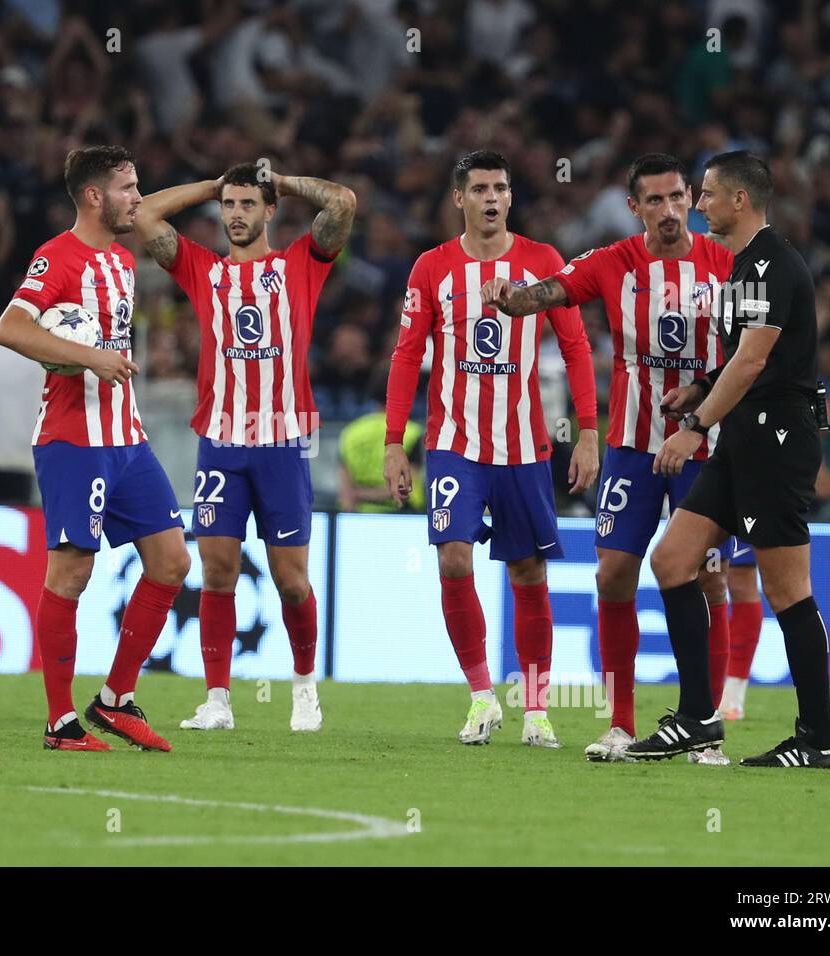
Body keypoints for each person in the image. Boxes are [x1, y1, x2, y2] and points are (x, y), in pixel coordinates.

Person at [481, 153, 735, 762]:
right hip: (631, 446)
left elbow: (753, 351)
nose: (670, 211)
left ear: (692, 200)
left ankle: (706, 725)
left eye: (679, 197)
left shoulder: (726, 265)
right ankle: (621, 722)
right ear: (634, 209)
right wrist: (510, 296)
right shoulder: (612, 263)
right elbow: (548, 292)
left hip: (705, 445)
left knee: (708, 577)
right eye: (655, 201)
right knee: (612, 574)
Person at [629, 150, 830, 768]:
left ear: (739, 201)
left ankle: (818, 739)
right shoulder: (751, 264)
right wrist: (701, 385)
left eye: (707, 194)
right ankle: (698, 718)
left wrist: (693, 426)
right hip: (746, 439)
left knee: (787, 591)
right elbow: (747, 357)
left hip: (775, 441)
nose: (698, 205)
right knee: (672, 561)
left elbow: (754, 361)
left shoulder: (767, 264)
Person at [386, 150, 600, 748]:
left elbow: (577, 348)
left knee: (528, 570)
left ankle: (535, 709)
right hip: (454, 442)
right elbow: (407, 357)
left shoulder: (542, 262)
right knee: (453, 558)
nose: (490, 198)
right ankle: (482, 698)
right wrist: (392, 443)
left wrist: (587, 431)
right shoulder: (431, 268)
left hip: (524, 445)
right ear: (459, 198)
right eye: (478, 188)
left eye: (500, 188)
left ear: (510, 197)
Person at [135, 162, 356, 732]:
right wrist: (208, 187)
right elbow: (142, 213)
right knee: (216, 572)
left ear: (269, 211)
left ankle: (305, 689)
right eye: (228, 206)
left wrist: (282, 180)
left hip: (283, 444)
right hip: (221, 444)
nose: (236, 215)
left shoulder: (300, 265)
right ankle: (217, 700)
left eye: (248, 205)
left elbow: (343, 204)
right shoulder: (201, 270)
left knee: (291, 581)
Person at [0, 145, 190, 753]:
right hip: (73, 441)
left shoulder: (124, 262)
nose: (139, 196)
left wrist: (210, 185)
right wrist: (91, 357)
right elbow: (11, 328)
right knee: (72, 572)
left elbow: (154, 209)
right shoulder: (56, 258)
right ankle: (60, 724)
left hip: (126, 439)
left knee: (172, 564)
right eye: (129, 187)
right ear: (93, 197)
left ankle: (115, 700)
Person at [338, 362, 426, 514]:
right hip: (403, 518)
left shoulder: (351, 431)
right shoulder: (412, 432)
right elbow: (407, 487)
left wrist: (357, 497)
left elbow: (345, 490)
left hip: (357, 518)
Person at [719, 539, 761, 720]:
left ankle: (732, 696)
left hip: (745, 514)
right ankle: (703, 692)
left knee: (740, 582)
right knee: (700, 579)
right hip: (696, 512)